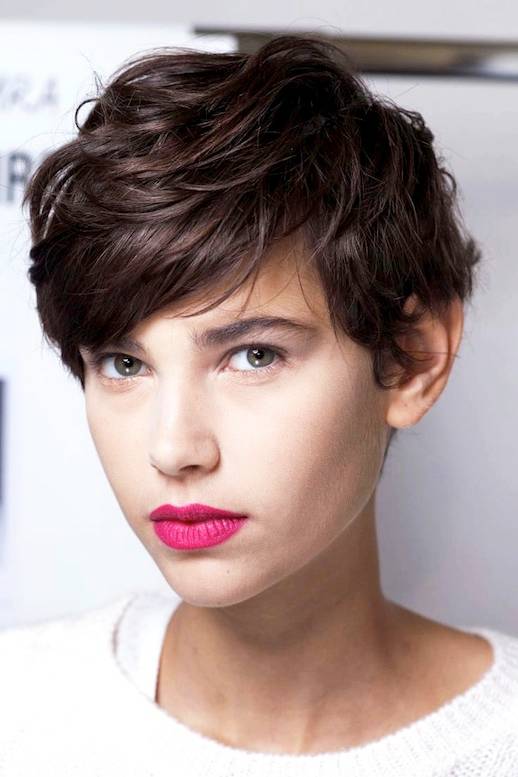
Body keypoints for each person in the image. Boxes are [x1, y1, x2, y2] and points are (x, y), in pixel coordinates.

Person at [1, 34, 517, 776]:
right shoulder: (18, 710)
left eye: (253, 356)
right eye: (124, 364)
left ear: (412, 360)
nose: (173, 448)